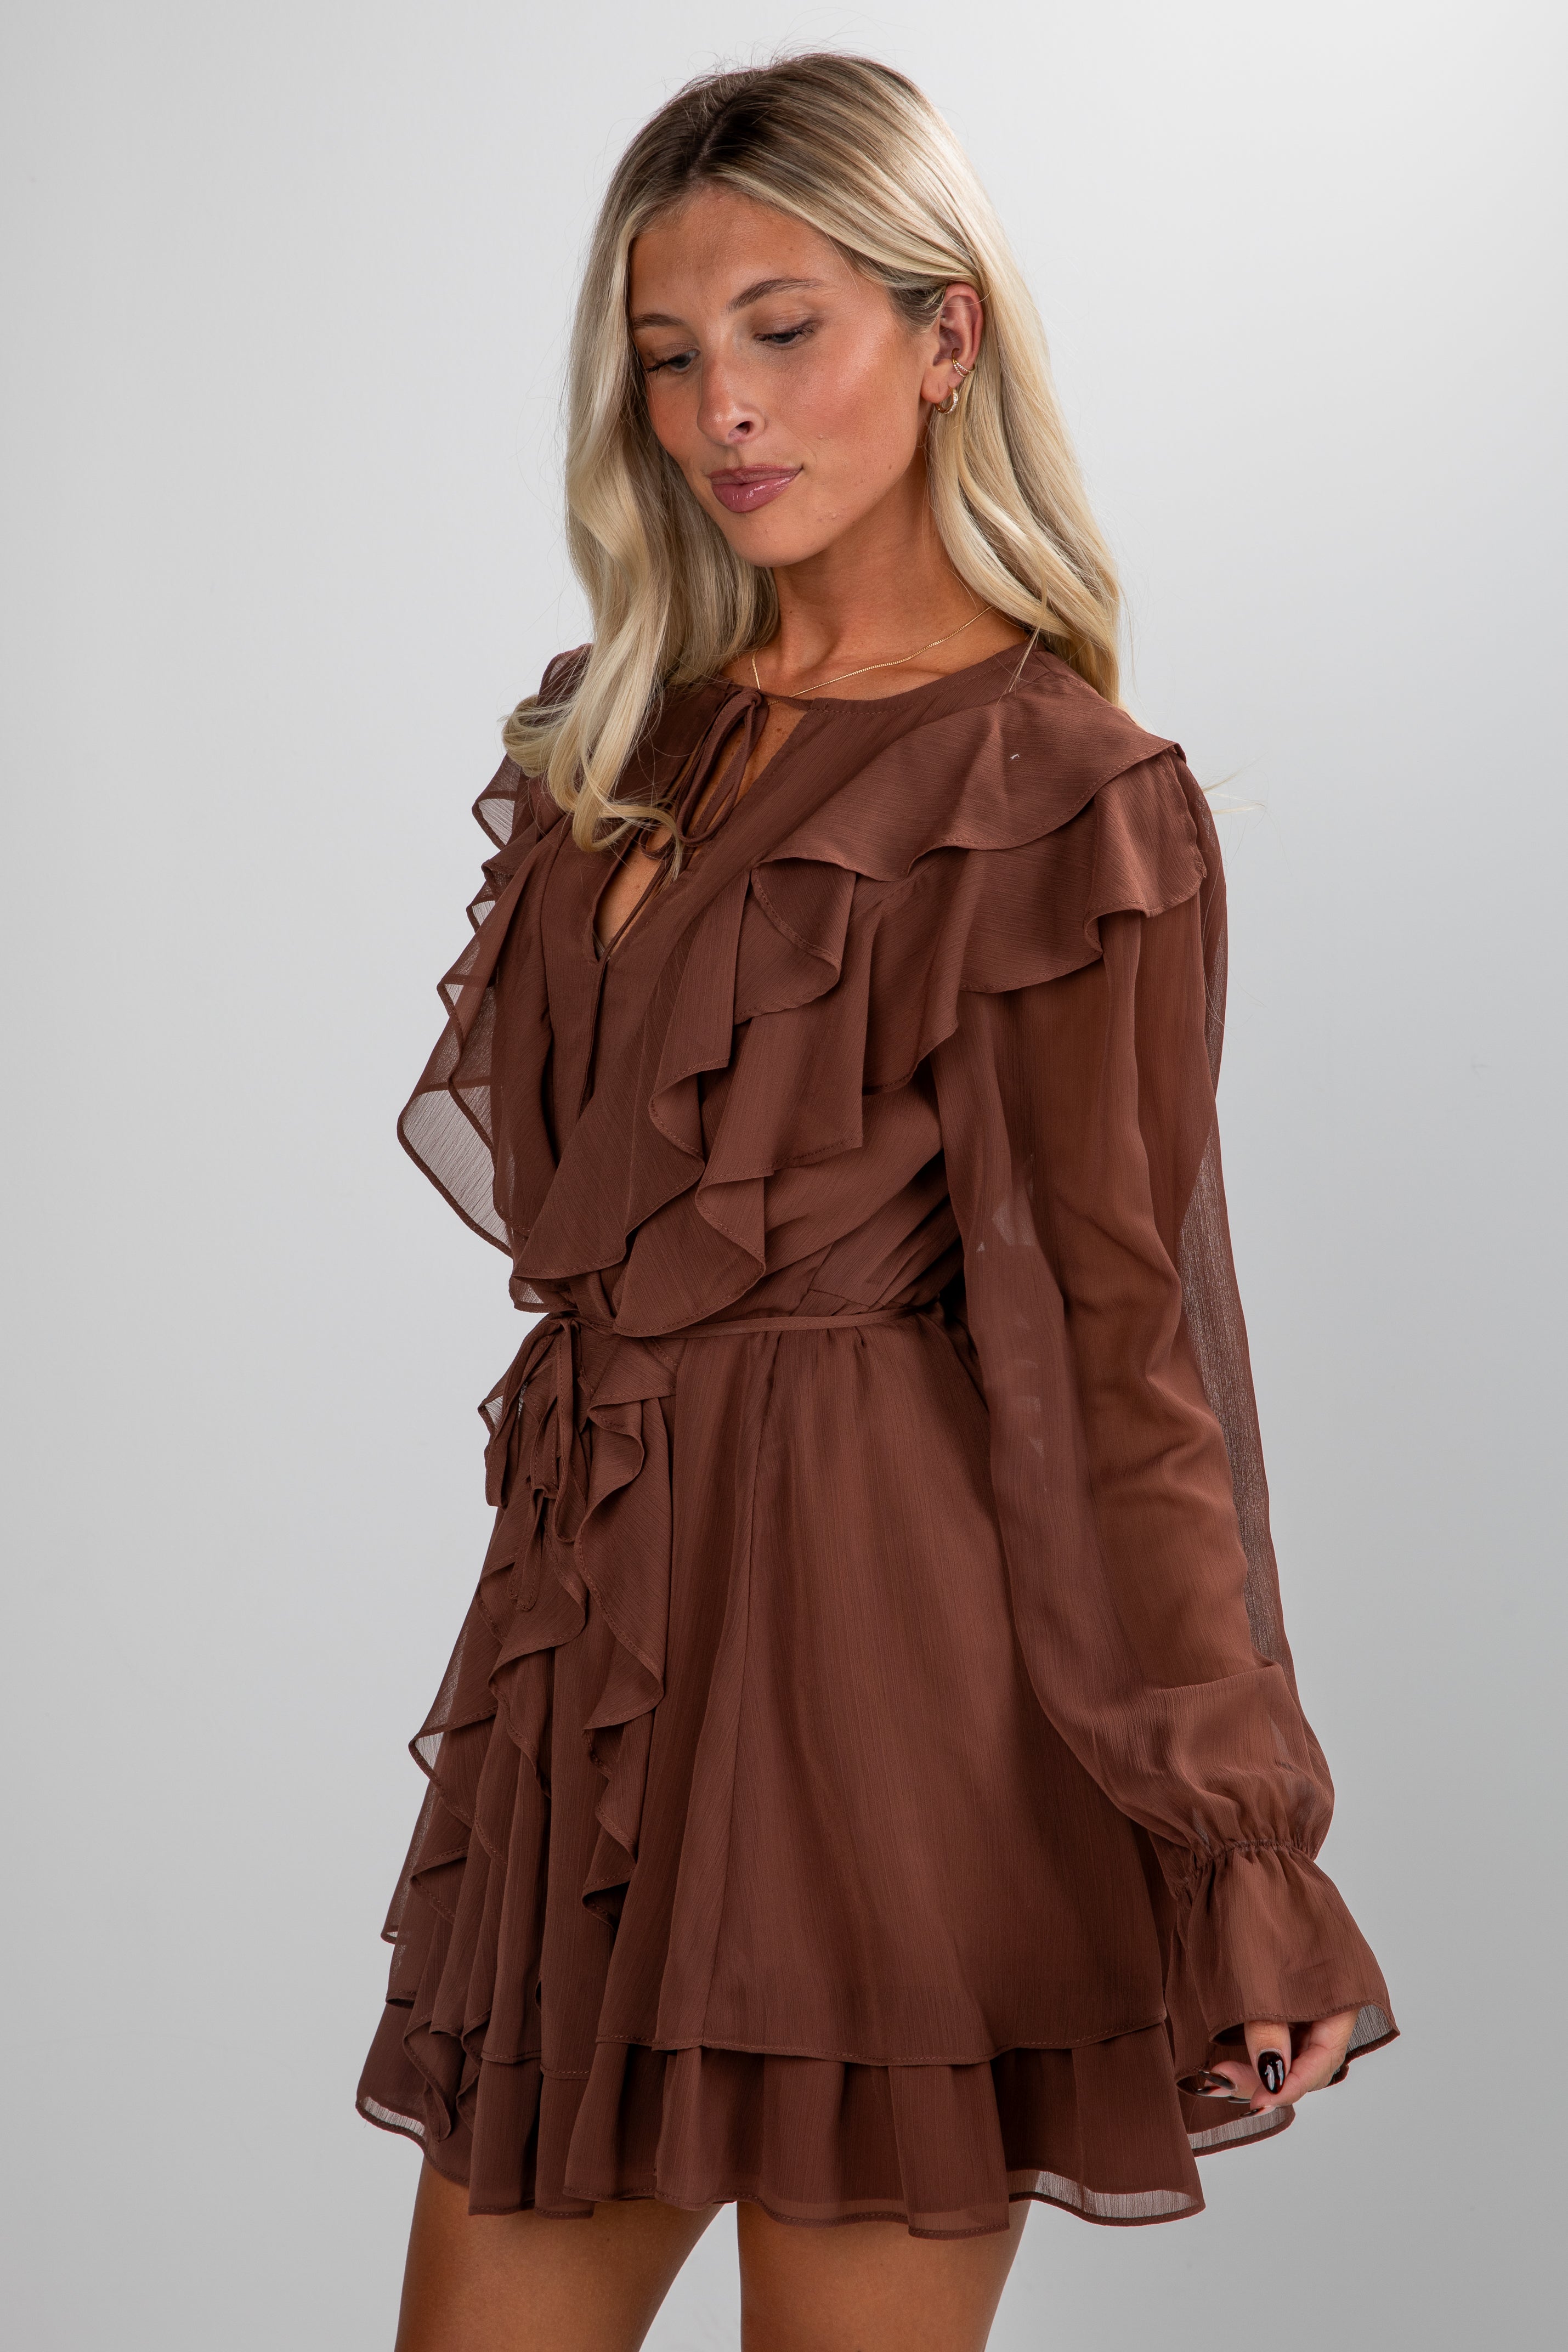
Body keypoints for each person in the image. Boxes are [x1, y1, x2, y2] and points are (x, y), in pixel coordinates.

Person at [356, 54, 1395, 2352]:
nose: (718, 407)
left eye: (780, 325)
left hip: (894, 1713)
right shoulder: (612, 748)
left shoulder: (1057, 801)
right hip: (601, 1681)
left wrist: (1239, 1844)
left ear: (947, 338)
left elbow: (1119, 1363)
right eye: (664, 353)